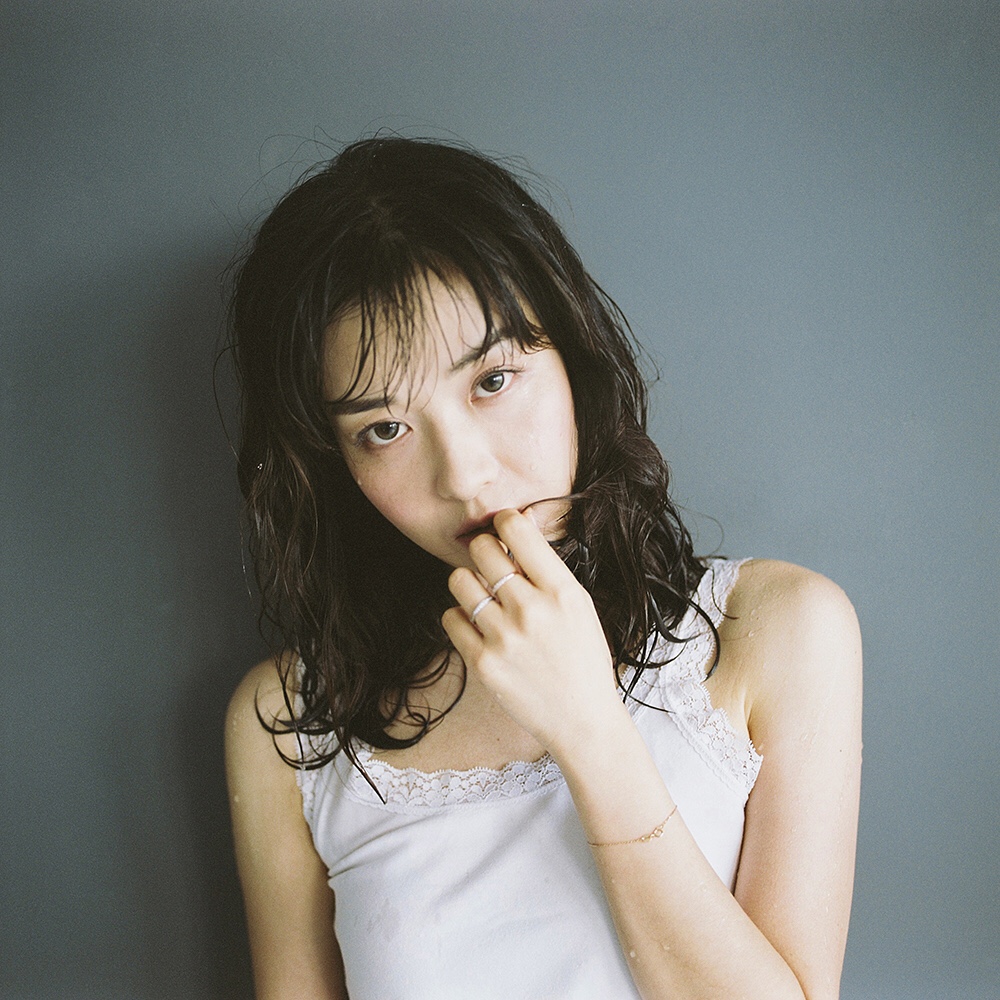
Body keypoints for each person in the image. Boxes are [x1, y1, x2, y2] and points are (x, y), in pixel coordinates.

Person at [224, 136, 862, 1000]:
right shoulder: (290, 722)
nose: (465, 475)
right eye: (385, 428)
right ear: (335, 464)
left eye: (492, 380)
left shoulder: (776, 630)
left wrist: (588, 727)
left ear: (572, 354)